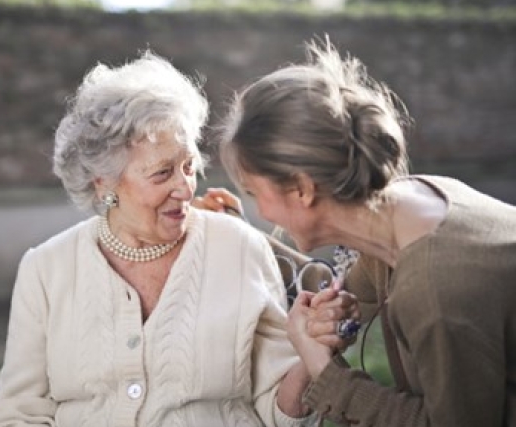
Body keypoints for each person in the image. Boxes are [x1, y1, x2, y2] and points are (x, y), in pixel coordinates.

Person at [0, 51, 358, 427]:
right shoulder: (47, 268)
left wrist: (311, 355)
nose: (184, 188)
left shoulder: (240, 248)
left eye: (189, 166)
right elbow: (18, 412)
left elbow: (277, 410)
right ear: (103, 182)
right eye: (161, 174)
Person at [218, 38, 516, 426]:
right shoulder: (411, 203)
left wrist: (328, 376)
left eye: (256, 193)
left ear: (303, 189)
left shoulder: (435, 290)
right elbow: (347, 294)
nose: (262, 211)